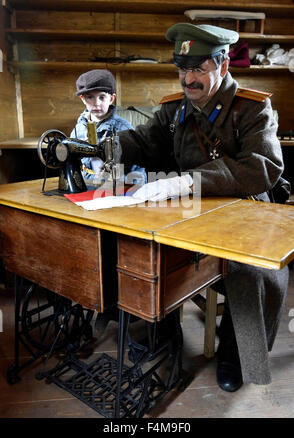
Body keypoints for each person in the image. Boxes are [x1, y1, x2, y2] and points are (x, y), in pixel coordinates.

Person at [111, 23, 289, 392]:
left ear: (222, 66)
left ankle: (237, 354)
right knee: (145, 251)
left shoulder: (253, 109)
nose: (187, 79)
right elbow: (144, 141)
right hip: (188, 215)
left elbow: (264, 167)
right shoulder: (175, 110)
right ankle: (161, 338)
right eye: (182, 69)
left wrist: (189, 181)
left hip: (246, 213)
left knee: (251, 272)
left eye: (197, 69)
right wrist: (105, 147)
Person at [71, 69, 145, 188]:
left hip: (116, 185)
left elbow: (138, 169)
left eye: (102, 97)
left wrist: (124, 184)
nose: (97, 103)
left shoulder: (124, 128)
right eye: (90, 97)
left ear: (111, 99)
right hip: (85, 184)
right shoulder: (78, 128)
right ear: (82, 99)